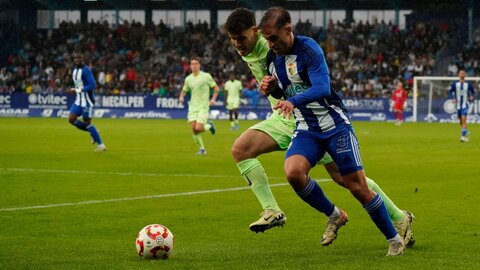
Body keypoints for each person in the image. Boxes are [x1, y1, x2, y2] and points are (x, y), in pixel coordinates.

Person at [226, 6, 414, 251]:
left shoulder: (272, 44)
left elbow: (301, 60)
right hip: (283, 116)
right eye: (232, 40)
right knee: (241, 150)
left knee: (347, 179)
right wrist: (271, 90)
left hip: (309, 118)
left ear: (256, 31)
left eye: (241, 38)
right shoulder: (254, 49)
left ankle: (399, 217)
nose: (237, 45)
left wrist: (290, 97)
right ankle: (273, 210)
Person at [179, 57, 219, 155]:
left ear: (199, 65)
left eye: (196, 63)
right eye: (192, 64)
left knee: (198, 128)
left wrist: (213, 99)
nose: (194, 66)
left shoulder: (206, 76)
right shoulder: (188, 79)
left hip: (203, 106)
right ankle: (202, 149)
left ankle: (209, 126)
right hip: (192, 106)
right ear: (190, 66)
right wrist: (181, 97)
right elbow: (185, 89)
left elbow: (216, 88)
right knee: (193, 128)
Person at [67, 52, 106, 152]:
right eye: (75, 58)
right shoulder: (74, 70)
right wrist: (73, 89)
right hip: (78, 100)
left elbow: (92, 85)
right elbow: (78, 84)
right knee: (71, 119)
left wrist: (76, 90)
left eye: (79, 58)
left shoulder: (86, 70)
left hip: (87, 100)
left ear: (82, 59)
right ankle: (93, 131)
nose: (77, 60)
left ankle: (101, 145)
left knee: (87, 121)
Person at [448, 69, 475, 142]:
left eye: (463, 73)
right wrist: (453, 98)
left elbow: (473, 92)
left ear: (465, 75)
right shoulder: (455, 84)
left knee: (463, 119)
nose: (462, 74)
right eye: (460, 73)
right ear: (458, 75)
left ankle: (463, 137)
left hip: (465, 105)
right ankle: (465, 131)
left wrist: (471, 96)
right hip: (458, 106)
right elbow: (449, 92)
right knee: (461, 121)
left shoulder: (468, 84)